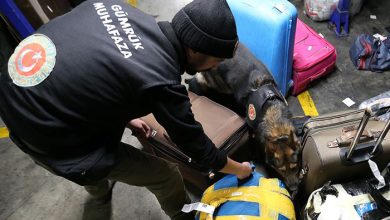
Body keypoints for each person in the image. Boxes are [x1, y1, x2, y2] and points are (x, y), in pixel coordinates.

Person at [0, 0, 252, 219]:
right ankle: (182, 215)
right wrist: (241, 169)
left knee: (97, 158)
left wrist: (128, 118)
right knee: (165, 175)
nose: (216, 67)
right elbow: (199, 149)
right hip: (50, 138)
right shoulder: (162, 81)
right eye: (217, 60)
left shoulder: (113, 7)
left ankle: (97, 188)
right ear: (195, 48)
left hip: (14, 94)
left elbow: (93, 68)